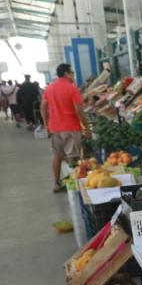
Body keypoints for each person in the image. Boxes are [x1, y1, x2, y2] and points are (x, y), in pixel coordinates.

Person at [41, 64, 90, 192]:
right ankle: (75, 187)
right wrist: (86, 127)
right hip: (70, 127)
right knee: (73, 157)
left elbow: (43, 107)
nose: (73, 75)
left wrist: (46, 124)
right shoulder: (72, 88)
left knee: (57, 156)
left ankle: (57, 183)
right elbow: (79, 111)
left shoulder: (49, 88)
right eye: (72, 72)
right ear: (66, 73)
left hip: (54, 127)